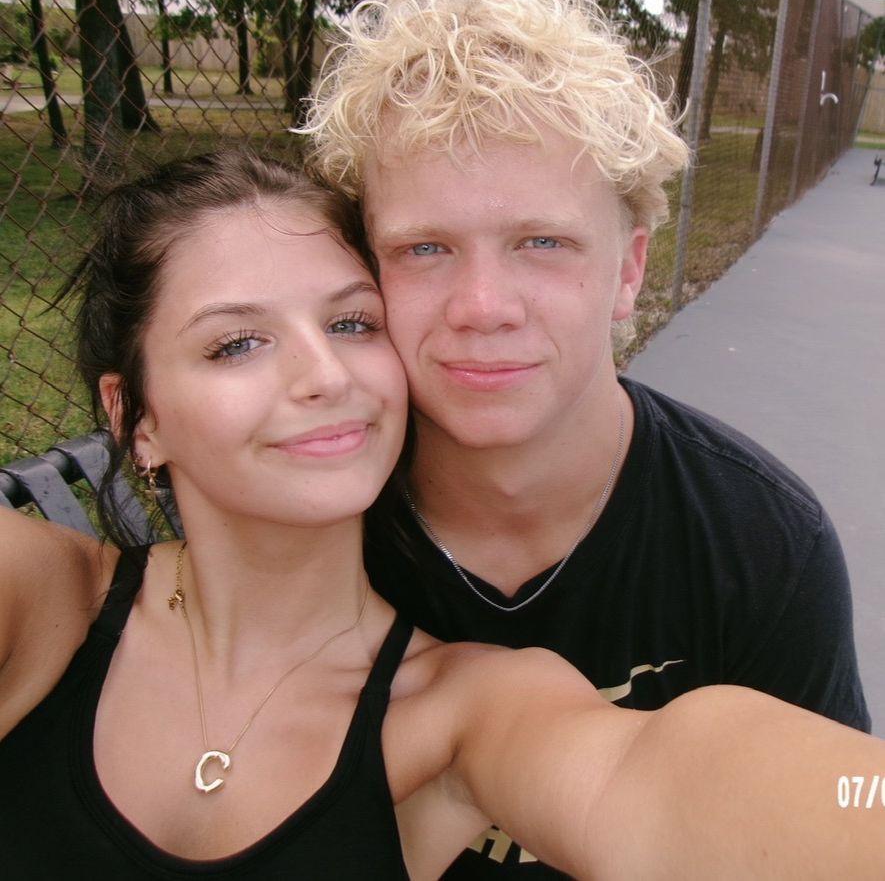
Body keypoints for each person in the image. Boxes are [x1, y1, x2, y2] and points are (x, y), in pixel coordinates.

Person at [1, 149, 885, 879]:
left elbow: (663, 780)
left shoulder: (463, 709)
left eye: (351, 324)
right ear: (135, 418)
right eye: (237, 342)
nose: (326, 375)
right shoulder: (42, 604)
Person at [301, 0, 871, 873]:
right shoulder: (303, 523)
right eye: (423, 249)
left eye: (541, 242)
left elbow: (842, 807)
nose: (482, 308)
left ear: (629, 269)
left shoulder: (763, 545)